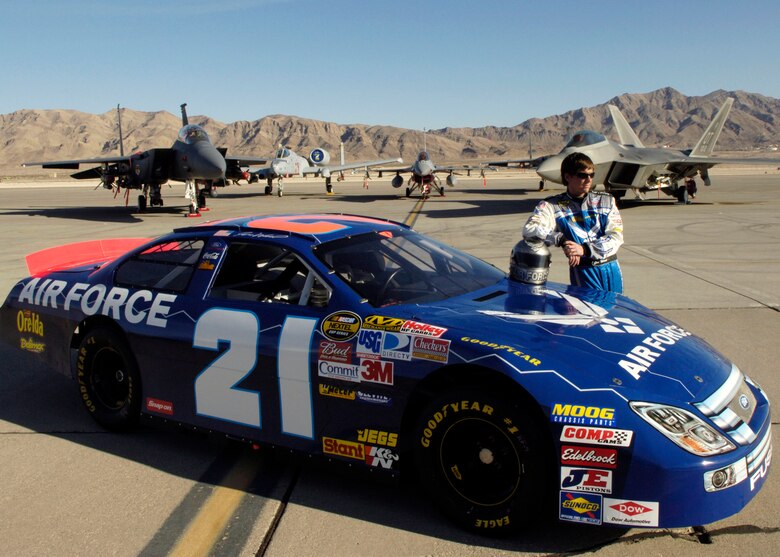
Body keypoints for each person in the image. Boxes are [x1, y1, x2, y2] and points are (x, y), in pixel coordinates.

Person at [522, 152, 624, 293]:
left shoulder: (606, 201)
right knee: (589, 313)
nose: (588, 180)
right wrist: (561, 239)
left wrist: (585, 249)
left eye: (591, 175)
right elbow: (530, 230)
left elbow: (616, 237)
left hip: (610, 267)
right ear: (568, 177)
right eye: (582, 175)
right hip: (583, 271)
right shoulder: (551, 205)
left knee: (616, 311)